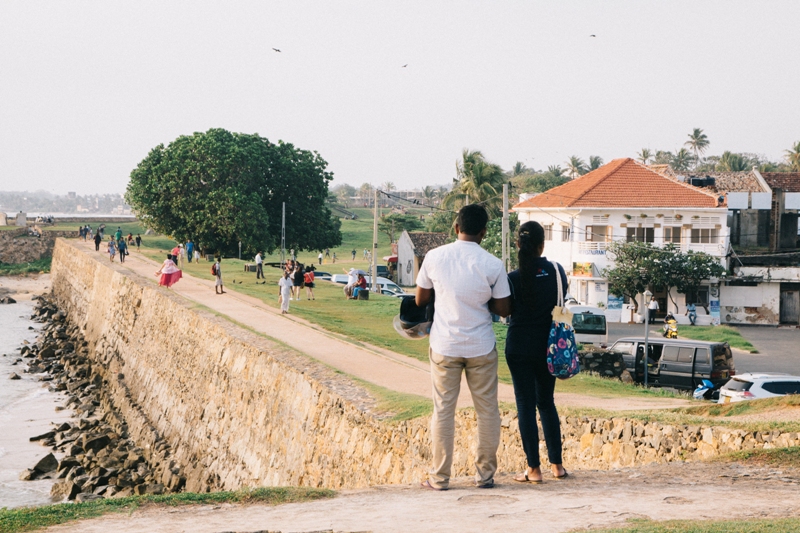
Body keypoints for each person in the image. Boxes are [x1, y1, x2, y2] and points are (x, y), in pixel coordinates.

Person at [415, 204, 511, 491]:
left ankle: (440, 478)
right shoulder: (492, 264)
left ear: (456, 228)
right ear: (484, 232)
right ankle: (485, 476)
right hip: (481, 345)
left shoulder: (434, 256)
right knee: (487, 411)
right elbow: (504, 307)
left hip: (445, 345)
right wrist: (484, 300)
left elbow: (420, 300)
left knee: (443, 410)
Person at [506, 221, 569, 484]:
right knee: (546, 402)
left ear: (518, 244)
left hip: (519, 345)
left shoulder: (512, 278)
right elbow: (561, 300)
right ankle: (557, 465)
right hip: (549, 346)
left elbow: (505, 309)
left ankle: (533, 469)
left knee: (525, 406)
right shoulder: (556, 271)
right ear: (543, 245)